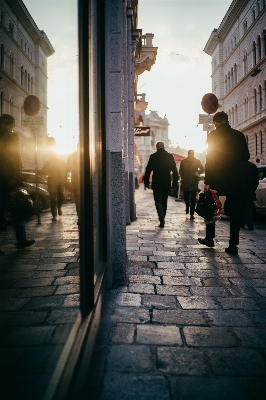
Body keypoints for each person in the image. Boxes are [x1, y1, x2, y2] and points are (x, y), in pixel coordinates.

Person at [198, 111, 250, 255]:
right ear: (227, 121)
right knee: (235, 212)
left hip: (217, 177)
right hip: (235, 178)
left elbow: (210, 158)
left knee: (211, 207)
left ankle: (210, 239)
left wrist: (208, 181)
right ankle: (233, 245)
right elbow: (246, 156)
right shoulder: (239, 135)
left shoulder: (213, 135)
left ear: (216, 123)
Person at [0, 114, 35, 252]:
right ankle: (20, 240)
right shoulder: (11, 136)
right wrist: (16, 177)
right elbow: (14, 157)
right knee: (18, 207)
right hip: (9, 179)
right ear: (10, 125)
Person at [144, 141, 178, 227]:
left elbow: (148, 170)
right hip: (166, 182)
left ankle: (161, 219)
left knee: (158, 201)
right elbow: (175, 171)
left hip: (157, 182)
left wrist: (146, 183)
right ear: (164, 147)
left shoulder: (153, 156)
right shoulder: (170, 156)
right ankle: (163, 218)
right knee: (164, 201)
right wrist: (174, 183)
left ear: (156, 147)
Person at [41, 143, 66, 221]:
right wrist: (49, 174)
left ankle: (59, 207)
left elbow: (65, 171)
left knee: (61, 196)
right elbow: (43, 170)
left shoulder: (61, 162)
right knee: (53, 199)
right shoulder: (49, 162)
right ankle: (54, 214)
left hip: (60, 182)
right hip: (52, 182)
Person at [179, 149, 204, 219]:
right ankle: (187, 205)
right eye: (190, 154)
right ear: (188, 154)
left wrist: (198, 172)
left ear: (193, 154)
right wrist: (183, 178)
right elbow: (180, 171)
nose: (191, 155)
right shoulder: (183, 162)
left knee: (193, 198)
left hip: (193, 182)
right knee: (186, 197)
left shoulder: (197, 161)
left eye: (192, 154)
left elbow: (202, 168)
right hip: (186, 182)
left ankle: (192, 213)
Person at [239, 160, 259, 230]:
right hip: (250, 191)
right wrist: (253, 188)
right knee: (249, 207)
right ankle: (250, 224)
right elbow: (256, 179)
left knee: (240, 207)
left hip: (240, 191)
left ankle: (241, 223)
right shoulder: (252, 166)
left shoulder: (238, 166)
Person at [66, 144, 80, 223]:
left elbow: (68, 169)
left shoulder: (72, 156)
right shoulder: (89, 154)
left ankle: (80, 217)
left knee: (78, 201)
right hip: (85, 183)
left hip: (76, 182)